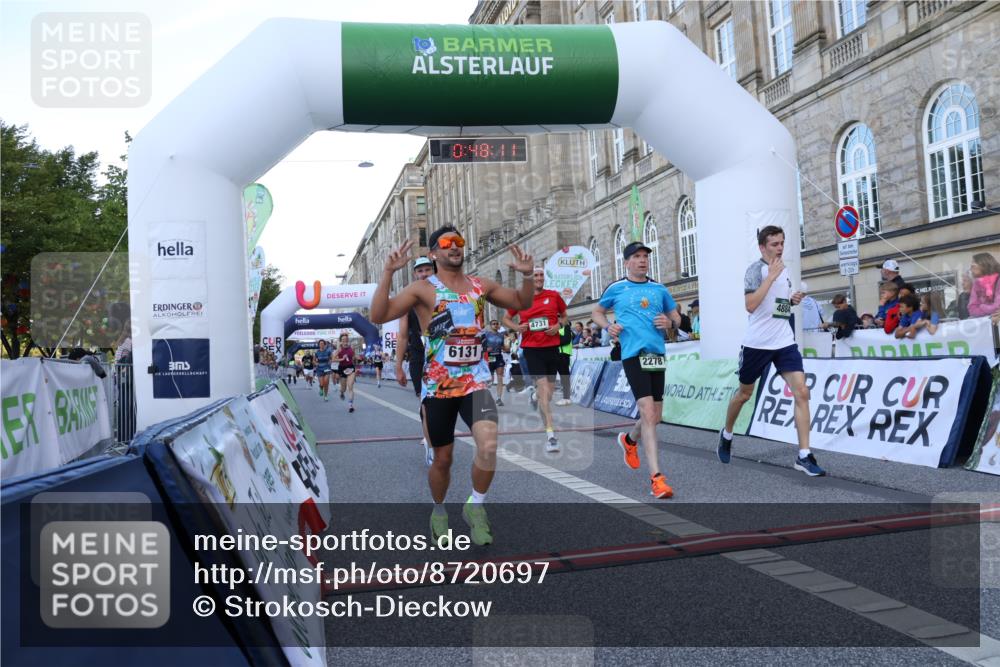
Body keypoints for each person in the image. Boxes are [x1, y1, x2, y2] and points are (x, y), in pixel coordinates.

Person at [368, 226, 535, 547]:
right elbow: (379, 314)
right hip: (440, 387)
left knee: (488, 446)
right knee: (443, 459)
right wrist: (388, 271)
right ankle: (439, 510)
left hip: (476, 382)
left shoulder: (480, 285)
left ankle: (476, 506)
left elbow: (520, 301)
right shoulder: (422, 289)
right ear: (434, 253)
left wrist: (527, 277)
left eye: (459, 242)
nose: (455, 247)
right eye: (447, 243)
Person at [718, 225, 826, 477]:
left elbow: (777, 307)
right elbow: (751, 306)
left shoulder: (784, 270)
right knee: (744, 395)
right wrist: (770, 278)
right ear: (762, 247)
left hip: (784, 342)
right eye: (774, 244)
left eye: (782, 243)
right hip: (757, 344)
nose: (779, 248)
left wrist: (791, 301)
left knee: (802, 391)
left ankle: (804, 455)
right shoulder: (756, 270)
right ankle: (727, 433)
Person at [592, 241, 681, 498]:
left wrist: (670, 322)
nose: (642, 260)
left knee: (656, 415)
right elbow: (597, 311)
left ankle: (629, 440)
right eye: (637, 256)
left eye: (645, 256)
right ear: (627, 262)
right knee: (647, 410)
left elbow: (676, 317)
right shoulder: (617, 288)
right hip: (632, 354)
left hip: (656, 354)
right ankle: (657, 478)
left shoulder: (659, 289)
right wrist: (608, 326)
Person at [502, 266, 569, 453]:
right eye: (535, 276)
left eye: (541, 275)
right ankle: (551, 436)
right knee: (543, 391)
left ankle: (535, 396)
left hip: (552, 348)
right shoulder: (521, 298)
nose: (539, 278)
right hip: (532, 350)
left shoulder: (554, 296)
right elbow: (506, 319)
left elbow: (564, 317)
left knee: (547, 393)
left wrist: (557, 326)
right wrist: (517, 327)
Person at [396, 256, 436, 465]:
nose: (424, 274)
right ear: (415, 274)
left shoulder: (444, 294)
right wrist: (398, 366)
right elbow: (402, 336)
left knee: (442, 402)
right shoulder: (408, 300)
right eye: (420, 271)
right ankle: (430, 444)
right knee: (425, 401)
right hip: (419, 357)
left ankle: (435, 434)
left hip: (441, 355)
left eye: (428, 270)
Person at [484, 319, 508, 407]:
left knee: (500, 378)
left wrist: (506, 348)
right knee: (489, 380)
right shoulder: (486, 334)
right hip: (489, 357)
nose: (495, 325)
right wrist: (486, 349)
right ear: (490, 326)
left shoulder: (501, 335)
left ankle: (498, 398)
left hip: (498, 357)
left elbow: (503, 347)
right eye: (493, 324)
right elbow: (481, 346)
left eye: (496, 324)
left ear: (498, 325)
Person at [969, 252, 1000, 318]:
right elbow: (972, 309)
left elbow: (998, 306)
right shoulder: (976, 283)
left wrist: (982, 306)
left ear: (983, 264)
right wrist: (990, 309)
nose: (971, 269)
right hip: (987, 324)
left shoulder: (998, 279)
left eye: (973, 266)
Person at [335, 333, 357, 412]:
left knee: (350, 386)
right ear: (341, 341)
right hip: (342, 369)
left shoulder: (352, 347)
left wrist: (356, 358)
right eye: (343, 340)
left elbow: (354, 357)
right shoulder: (339, 349)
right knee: (343, 389)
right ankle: (341, 393)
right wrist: (341, 359)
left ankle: (350, 405)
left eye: (346, 340)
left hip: (351, 368)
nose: (345, 341)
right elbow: (333, 359)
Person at [555, 322, 573, 406]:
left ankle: (566, 398)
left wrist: (555, 337)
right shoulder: (555, 328)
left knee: (564, 376)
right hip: (555, 354)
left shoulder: (566, 327)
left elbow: (566, 340)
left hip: (563, 355)